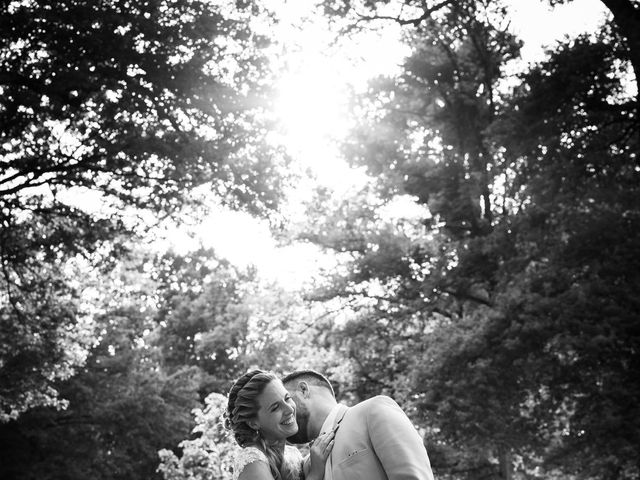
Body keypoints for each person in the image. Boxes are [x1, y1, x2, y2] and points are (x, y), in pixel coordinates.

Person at [283, 370, 435, 480]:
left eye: (286, 398)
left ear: (303, 390)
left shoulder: (373, 411)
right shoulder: (309, 466)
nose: (282, 411)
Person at [225, 369, 337, 480]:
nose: (289, 409)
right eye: (275, 407)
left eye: (287, 398)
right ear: (253, 423)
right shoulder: (252, 462)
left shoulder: (293, 455)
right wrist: (316, 473)